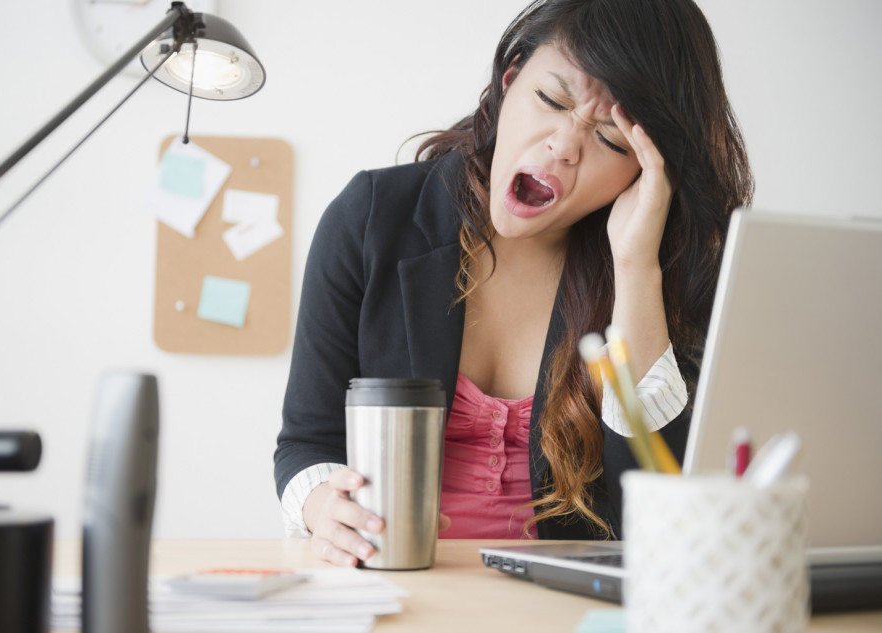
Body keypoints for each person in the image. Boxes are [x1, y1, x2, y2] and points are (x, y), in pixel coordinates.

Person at [274, 0, 753, 567]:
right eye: (551, 100)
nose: (564, 146)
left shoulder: (666, 269)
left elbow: (657, 519)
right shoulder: (372, 217)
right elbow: (307, 442)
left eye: (612, 140)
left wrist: (635, 266)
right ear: (510, 79)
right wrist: (323, 506)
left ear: (647, 169)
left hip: (565, 607)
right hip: (396, 583)